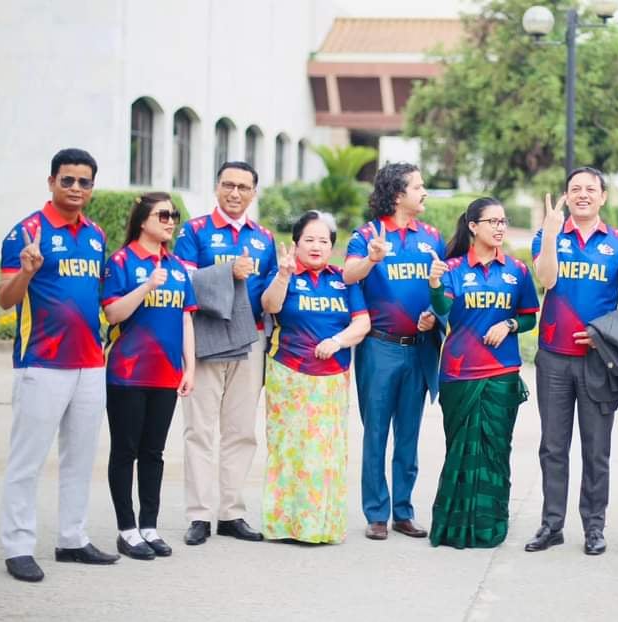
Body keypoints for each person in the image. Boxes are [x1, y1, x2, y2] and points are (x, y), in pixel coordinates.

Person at [0, 148, 119, 582]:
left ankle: (72, 539)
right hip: (43, 362)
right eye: (67, 180)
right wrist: (27, 271)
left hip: (90, 362)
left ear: (91, 188)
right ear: (51, 181)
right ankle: (17, 546)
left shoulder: (96, 234)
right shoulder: (26, 231)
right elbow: (4, 299)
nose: (75, 189)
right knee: (27, 460)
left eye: (84, 182)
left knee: (80, 458)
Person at [526, 167, 618, 555]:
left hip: (597, 360)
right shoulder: (549, 234)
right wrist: (553, 234)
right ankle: (551, 524)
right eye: (575, 189)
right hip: (554, 357)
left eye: (591, 189)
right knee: (553, 447)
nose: (583, 194)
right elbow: (547, 279)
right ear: (566, 196)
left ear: (603, 197)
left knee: (596, 449)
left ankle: (594, 527)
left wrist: (606, 332)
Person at [426, 198, 539, 549]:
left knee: (495, 451)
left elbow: (529, 316)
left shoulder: (517, 271)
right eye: (493, 221)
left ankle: (490, 525)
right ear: (473, 226)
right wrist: (433, 285)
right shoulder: (454, 268)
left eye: (503, 221)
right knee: (459, 450)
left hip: (502, 374)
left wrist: (508, 324)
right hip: (460, 374)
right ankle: (454, 526)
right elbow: (443, 309)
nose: (500, 227)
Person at [175, 161, 277, 545]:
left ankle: (231, 512)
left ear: (254, 193)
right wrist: (226, 274)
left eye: (244, 187)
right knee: (199, 430)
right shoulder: (195, 231)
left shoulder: (263, 238)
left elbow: (268, 294)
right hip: (205, 339)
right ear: (216, 187)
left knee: (240, 431)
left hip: (249, 341)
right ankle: (199, 514)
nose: (235, 193)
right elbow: (181, 280)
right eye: (228, 185)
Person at [344, 162, 444, 540]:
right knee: (376, 433)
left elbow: (442, 287)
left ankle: (403, 510)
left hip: (418, 348)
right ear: (398, 193)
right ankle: (376, 513)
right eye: (419, 186)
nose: (424, 192)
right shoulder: (368, 234)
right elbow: (348, 274)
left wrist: (434, 316)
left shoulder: (431, 237)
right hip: (379, 348)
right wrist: (371, 258)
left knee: (408, 434)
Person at [260, 211, 370, 544]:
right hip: (288, 375)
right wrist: (282, 275)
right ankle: (283, 525)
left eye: (324, 241)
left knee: (324, 455)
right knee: (288, 451)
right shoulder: (286, 274)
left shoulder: (343, 280)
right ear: (295, 244)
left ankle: (320, 527)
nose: (316, 246)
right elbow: (269, 305)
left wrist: (337, 341)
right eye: (309, 239)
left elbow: (362, 324)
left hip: (331, 379)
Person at [102, 192, 197, 560]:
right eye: (162, 215)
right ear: (143, 221)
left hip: (166, 375)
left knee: (153, 453)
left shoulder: (175, 265)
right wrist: (145, 287)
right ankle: (126, 529)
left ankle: (149, 526)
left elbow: (185, 317)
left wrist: (189, 366)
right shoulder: (122, 261)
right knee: (125, 451)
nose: (170, 221)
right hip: (128, 374)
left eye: (173, 215)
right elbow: (113, 315)